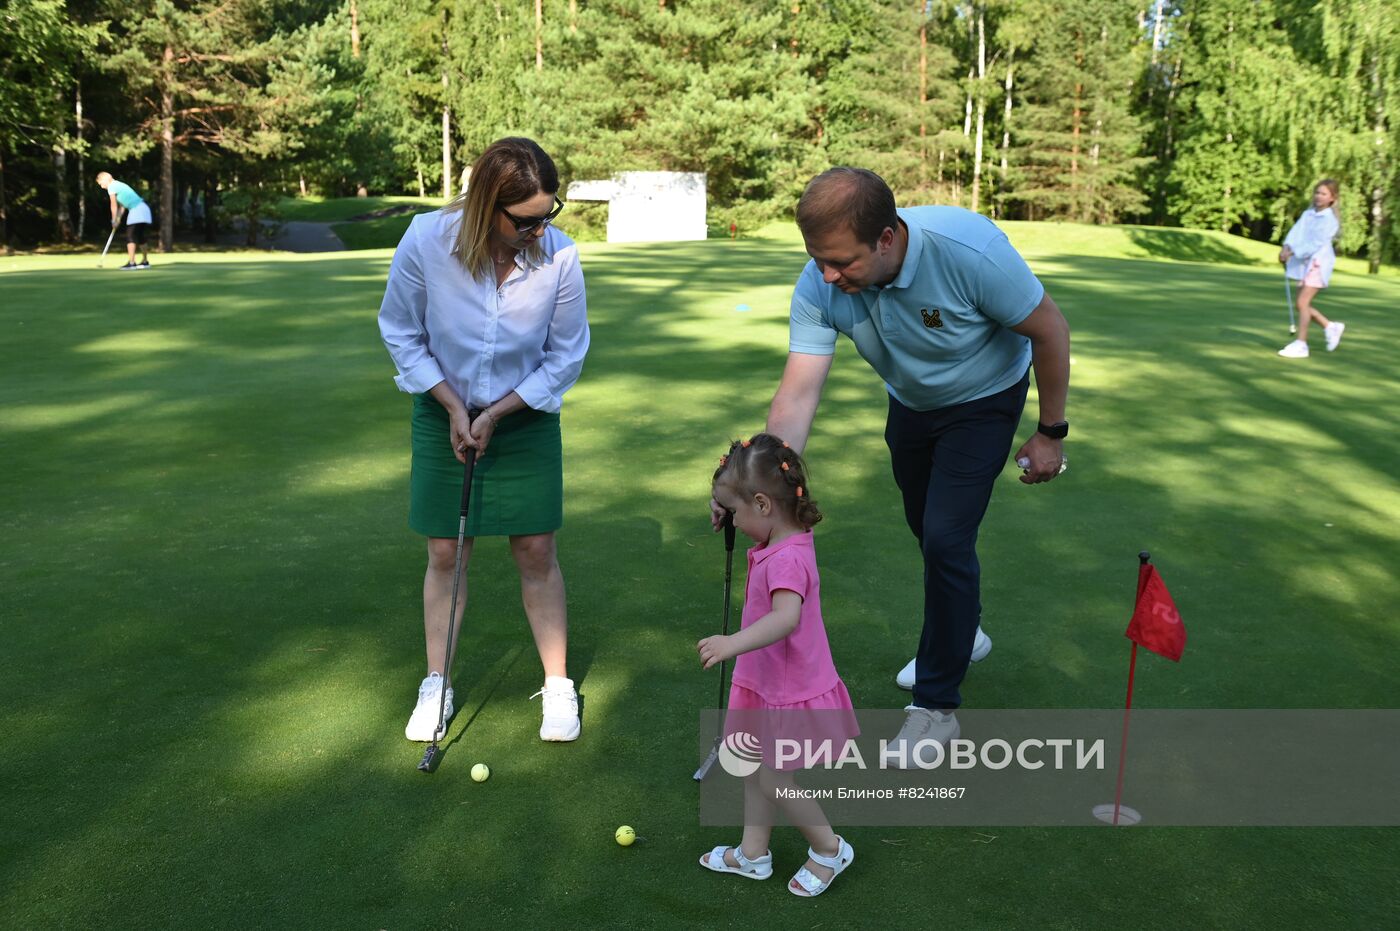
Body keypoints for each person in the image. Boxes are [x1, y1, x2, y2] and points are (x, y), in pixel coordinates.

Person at [721, 167, 1069, 759]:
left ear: (887, 238)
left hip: (985, 401)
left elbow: (1050, 329)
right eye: (818, 260)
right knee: (928, 531)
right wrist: (755, 485)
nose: (828, 275)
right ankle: (963, 631)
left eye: (842, 262)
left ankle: (936, 708)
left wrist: (1050, 433)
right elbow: (799, 392)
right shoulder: (820, 282)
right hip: (911, 403)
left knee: (944, 537)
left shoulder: (968, 252)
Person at [378, 137, 589, 744]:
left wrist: (496, 412)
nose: (539, 230)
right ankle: (436, 684)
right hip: (440, 409)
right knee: (447, 552)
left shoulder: (561, 258)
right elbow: (399, 329)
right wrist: (450, 404)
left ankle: (557, 685)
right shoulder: (426, 240)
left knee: (535, 551)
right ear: (485, 206)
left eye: (549, 215)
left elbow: (565, 356)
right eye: (525, 220)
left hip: (523, 418)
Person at [698, 433, 858, 898]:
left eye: (736, 513)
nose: (734, 522)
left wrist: (732, 643)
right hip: (765, 681)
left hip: (788, 687)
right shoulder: (784, 540)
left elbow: (786, 619)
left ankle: (829, 848)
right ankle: (753, 854)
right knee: (751, 766)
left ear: (764, 505)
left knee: (774, 777)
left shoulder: (788, 559)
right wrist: (724, 502)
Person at [1277, 179, 1345, 359]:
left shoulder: (1330, 220)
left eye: (1323, 194)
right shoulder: (1308, 214)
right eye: (1317, 192)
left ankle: (1301, 344)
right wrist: (1286, 247)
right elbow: (1295, 233)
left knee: (1302, 303)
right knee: (1301, 305)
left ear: (1332, 198)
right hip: (1304, 264)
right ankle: (1330, 327)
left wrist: (1292, 251)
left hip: (1318, 263)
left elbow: (1315, 243)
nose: (1318, 197)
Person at [96, 172, 152, 269]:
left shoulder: (112, 186)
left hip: (137, 209)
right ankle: (145, 261)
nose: (101, 186)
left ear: (105, 180)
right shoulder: (119, 185)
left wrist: (113, 220)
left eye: (101, 183)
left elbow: (113, 205)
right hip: (143, 208)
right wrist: (118, 219)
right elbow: (122, 206)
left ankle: (132, 263)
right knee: (140, 235)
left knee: (130, 235)